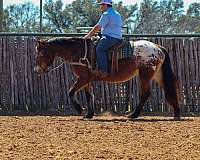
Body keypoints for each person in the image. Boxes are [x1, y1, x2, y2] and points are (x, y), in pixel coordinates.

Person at [83, 0, 123, 77]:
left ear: (105, 5)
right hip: (117, 37)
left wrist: (88, 36)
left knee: (99, 49)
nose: (100, 6)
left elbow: (98, 27)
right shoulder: (117, 13)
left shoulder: (106, 14)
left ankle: (104, 70)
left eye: (101, 4)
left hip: (110, 37)